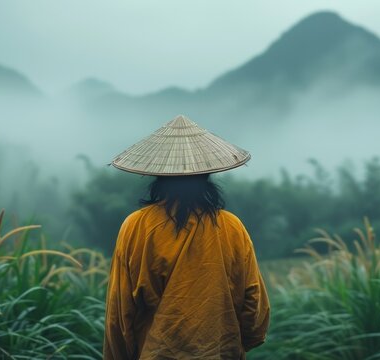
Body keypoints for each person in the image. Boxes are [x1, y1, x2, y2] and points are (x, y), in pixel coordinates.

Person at [103, 115, 270, 359]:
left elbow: (120, 311)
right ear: (206, 177)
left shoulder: (136, 226)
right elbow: (253, 303)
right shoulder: (231, 227)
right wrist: (245, 339)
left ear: (159, 177)